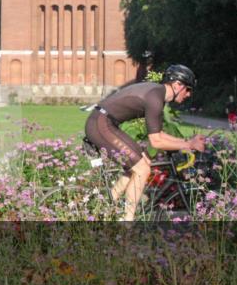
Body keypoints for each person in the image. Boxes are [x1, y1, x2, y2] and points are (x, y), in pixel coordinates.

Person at [84, 64, 205, 221]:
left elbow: (158, 134)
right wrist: (189, 144)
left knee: (140, 164)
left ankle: (104, 210)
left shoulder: (158, 95)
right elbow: (156, 141)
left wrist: (187, 141)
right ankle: (127, 223)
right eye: (188, 89)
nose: (188, 94)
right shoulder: (155, 98)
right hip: (101, 124)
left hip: (104, 122)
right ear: (177, 85)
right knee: (142, 170)